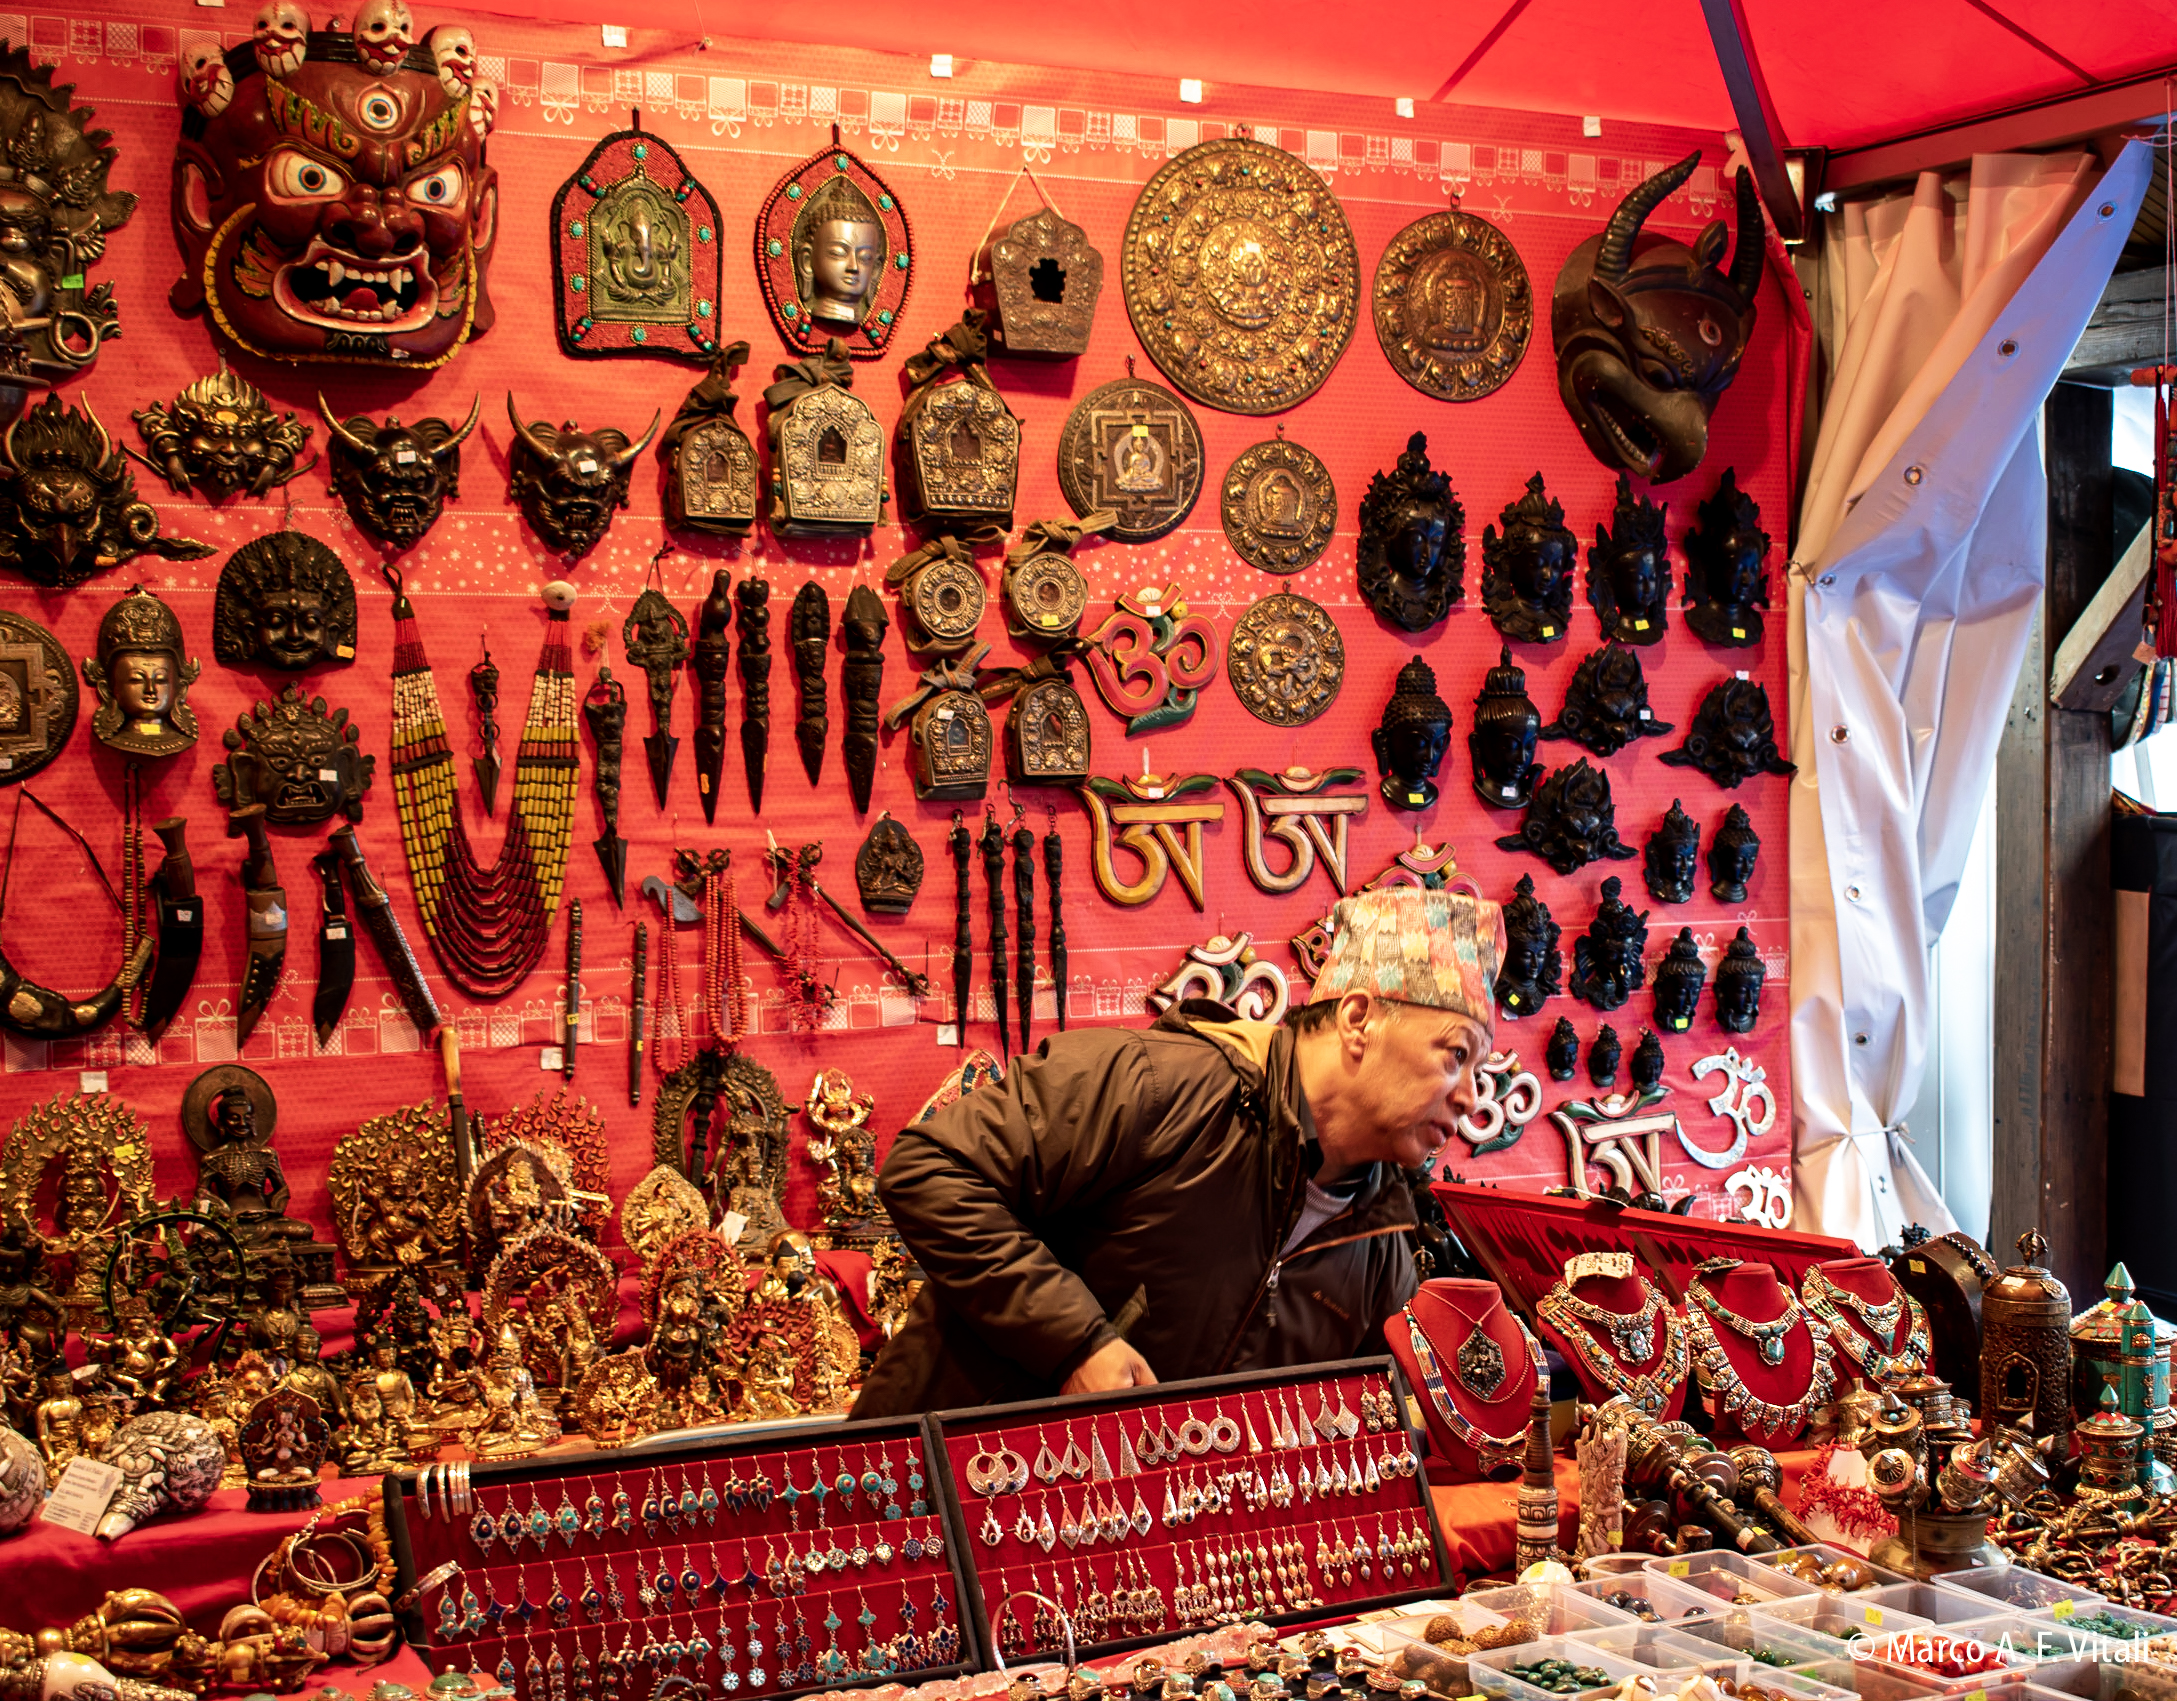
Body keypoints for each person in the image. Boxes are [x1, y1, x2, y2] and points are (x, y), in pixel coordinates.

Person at [851, 886, 1501, 1416]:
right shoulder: (1159, 1084)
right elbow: (930, 1169)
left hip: (1136, 1526)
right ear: (1358, 1020)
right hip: (936, 1490)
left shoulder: (1379, 1241)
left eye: (1481, 1069)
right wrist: (1074, 1343)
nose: (1472, 1097)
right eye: (1456, 1054)